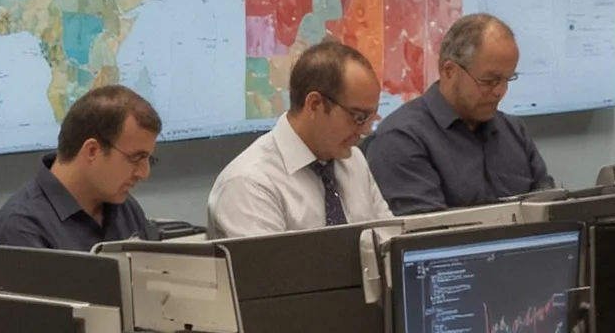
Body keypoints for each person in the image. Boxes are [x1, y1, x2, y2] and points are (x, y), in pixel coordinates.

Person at [362, 13, 555, 214]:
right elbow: (426, 236)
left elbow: (548, 209)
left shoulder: (514, 131)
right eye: (489, 81)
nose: (501, 92)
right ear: (449, 70)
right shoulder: (401, 140)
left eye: (508, 79)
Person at [208, 39, 395, 237]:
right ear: (314, 104)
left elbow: (389, 242)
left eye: (371, 117)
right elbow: (269, 268)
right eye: (358, 117)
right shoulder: (249, 183)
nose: (366, 130)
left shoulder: (353, 160)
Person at [0, 84, 161, 251]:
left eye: (148, 159)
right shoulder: (21, 227)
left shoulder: (124, 208)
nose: (144, 173)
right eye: (136, 158)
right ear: (92, 151)